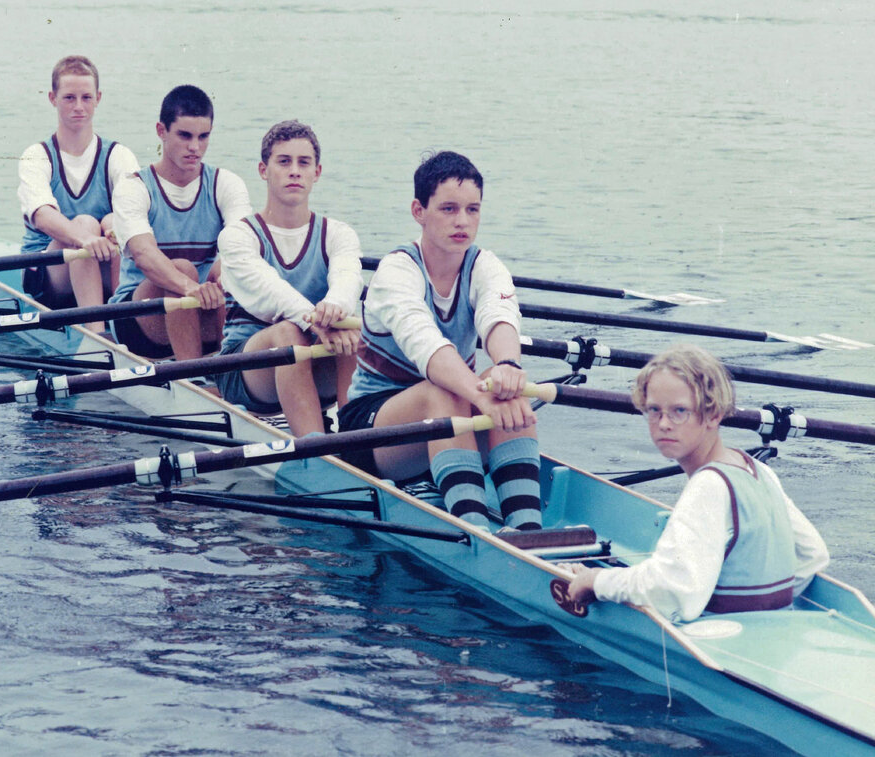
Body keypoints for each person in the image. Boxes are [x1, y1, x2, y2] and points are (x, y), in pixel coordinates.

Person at [338, 150, 542, 533]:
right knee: (446, 393)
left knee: (507, 389)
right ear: (419, 211)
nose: (462, 221)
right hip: (370, 428)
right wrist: (482, 395)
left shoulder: (486, 265)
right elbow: (425, 343)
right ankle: (476, 532)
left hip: (452, 411)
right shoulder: (396, 271)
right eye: (448, 209)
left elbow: (499, 320)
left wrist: (507, 367)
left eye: (472, 209)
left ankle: (529, 531)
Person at [563, 344, 830, 622]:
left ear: (714, 414)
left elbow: (671, 591)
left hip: (724, 646)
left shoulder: (709, 486)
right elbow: (813, 555)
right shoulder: (759, 470)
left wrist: (597, 580)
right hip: (772, 632)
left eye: (680, 411)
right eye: (654, 410)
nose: (663, 423)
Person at [216, 120, 363, 436]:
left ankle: (357, 445)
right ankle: (315, 449)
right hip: (246, 373)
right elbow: (273, 293)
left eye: (303, 163)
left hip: (316, 352)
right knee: (288, 333)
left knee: (351, 332)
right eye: (284, 162)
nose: (294, 171)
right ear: (263, 170)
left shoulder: (339, 234)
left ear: (317, 173)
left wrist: (336, 309)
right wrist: (319, 321)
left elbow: (348, 279)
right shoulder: (237, 236)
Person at [109, 85, 251, 360]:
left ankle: (228, 372)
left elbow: (243, 247)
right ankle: (192, 377)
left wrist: (223, 280)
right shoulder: (134, 188)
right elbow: (143, 254)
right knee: (183, 269)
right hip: (139, 322)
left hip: (200, 308)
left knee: (228, 268)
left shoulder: (226, 184)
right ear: (161, 131)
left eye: (203, 136)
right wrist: (191, 288)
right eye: (184, 136)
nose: (195, 147)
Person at [18, 55, 139, 332]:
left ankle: (126, 328)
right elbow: (43, 216)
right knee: (84, 224)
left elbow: (135, 212)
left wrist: (112, 232)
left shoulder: (118, 156)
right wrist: (86, 239)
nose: (79, 107)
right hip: (49, 278)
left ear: (98, 98)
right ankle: (96, 335)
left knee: (114, 222)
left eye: (86, 98)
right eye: (69, 98)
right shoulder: (36, 156)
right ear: (52, 98)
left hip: (103, 268)